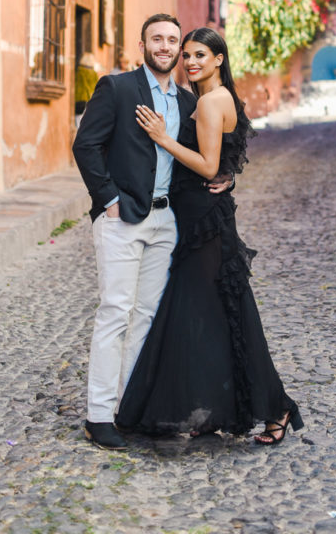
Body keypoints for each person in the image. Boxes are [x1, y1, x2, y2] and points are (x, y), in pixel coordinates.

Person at [116, 27, 303, 446]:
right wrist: (226, 176)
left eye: (200, 54)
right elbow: (222, 163)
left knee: (211, 313)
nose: (191, 61)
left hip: (203, 224)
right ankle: (222, 405)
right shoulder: (218, 99)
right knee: (216, 316)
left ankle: (277, 405)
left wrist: (164, 139)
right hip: (203, 217)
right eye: (186, 55)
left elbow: (206, 164)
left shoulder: (212, 101)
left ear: (219, 58)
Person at [72, 13, 229, 450]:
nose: (165, 46)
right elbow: (86, 145)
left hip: (166, 221)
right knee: (115, 312)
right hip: (123, 218)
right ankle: (99, 415)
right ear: (142, 45)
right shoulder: (118, 88)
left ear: (180, 50)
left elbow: (206, 153)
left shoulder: (184, 101)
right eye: (156, 38)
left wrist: (227, 176)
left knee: (145, 317)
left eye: (172, 41)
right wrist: (108, 200)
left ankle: (130, 408)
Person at [74, 53, 101, 127]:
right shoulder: (94, 73)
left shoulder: (79, 71)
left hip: (80, 99)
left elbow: (77, 85)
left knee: (78, 123)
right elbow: (97, 86)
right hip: (91, 100)